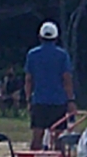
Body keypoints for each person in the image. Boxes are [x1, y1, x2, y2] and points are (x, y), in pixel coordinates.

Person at [24, 21, 76, 150]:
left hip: (39, 100)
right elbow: (67, 80)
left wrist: (28, 99)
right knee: (59, 137)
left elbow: (29, 80)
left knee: (37, 136)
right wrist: (70, 100)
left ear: (40, 37)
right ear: (56, 38)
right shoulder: (62, 55)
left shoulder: (32, 54)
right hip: (58, 101)